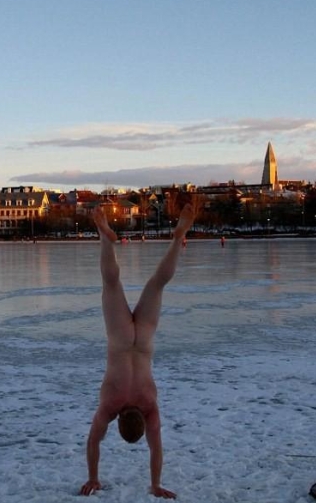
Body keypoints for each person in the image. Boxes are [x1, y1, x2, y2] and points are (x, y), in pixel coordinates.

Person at [80, 204, 195, 499]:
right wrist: (93, 477)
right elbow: (93, 442)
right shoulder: (109, 406)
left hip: (142, 341)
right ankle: (105, 239)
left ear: (141, 422)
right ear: (119, 421)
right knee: (110, 282)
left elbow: (156, 448)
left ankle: (177, 238)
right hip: (120, 341)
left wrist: (156, 484)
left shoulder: (149, 406)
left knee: (157, 284)